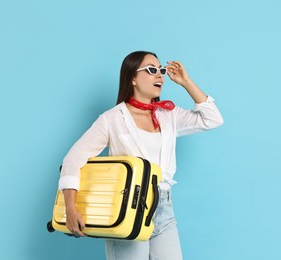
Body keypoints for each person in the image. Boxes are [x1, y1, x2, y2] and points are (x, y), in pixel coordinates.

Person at [58, 50, 224, 260]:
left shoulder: (169, 115)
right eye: (151, 70)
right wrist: (71, 209)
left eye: (161, 70)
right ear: (133, 78)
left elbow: (213, 119)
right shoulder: (112, 119)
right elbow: (73, 160)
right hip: (128, 208)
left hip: (164, 209)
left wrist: (186, 81)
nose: (160, 75)